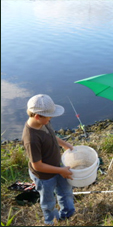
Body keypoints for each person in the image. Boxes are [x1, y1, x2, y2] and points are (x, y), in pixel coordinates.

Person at [22, 94, 75, 225]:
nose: (51, 119)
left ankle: (67, 215)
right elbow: (37, 166)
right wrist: (60, 171)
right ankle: (50, 220)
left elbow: (51, 135)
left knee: (66, 192)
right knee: (48, 201)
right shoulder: (31, 138)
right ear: (37, 116)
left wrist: (65, 144)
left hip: (57, 166)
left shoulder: (43, 122)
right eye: (49, 116)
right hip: (44, 177)